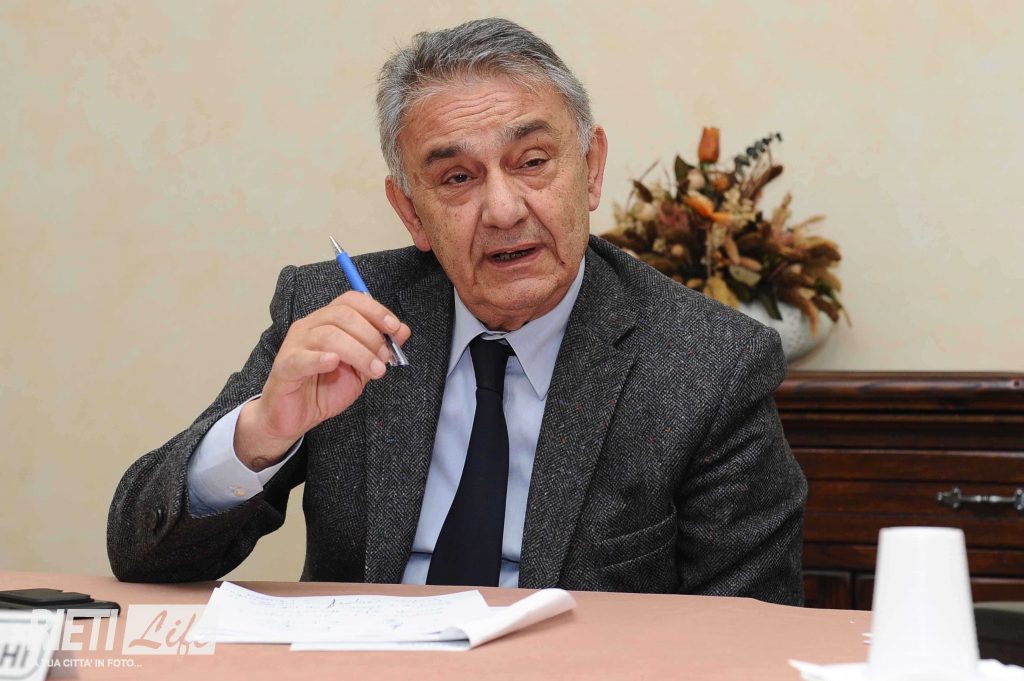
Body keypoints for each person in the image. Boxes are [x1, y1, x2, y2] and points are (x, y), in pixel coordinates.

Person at [107, 17, 807, 604]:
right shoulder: (341, 313)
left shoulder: (708, 364)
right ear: (411, 211)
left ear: (591, 169)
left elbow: (751, 632)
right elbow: (142, 554)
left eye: (532, 161)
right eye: (457, 177)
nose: (503, 209)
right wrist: (261, 433)